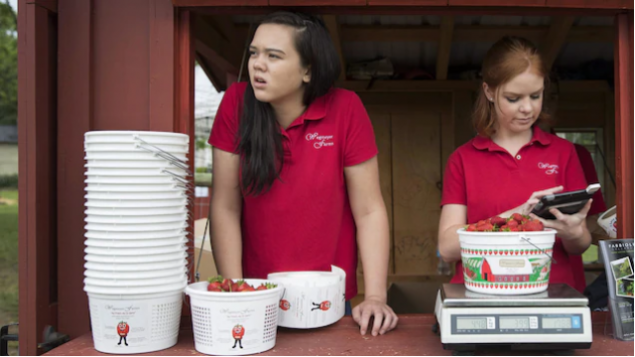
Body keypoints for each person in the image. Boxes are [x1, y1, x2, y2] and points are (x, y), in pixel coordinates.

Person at [208, 12, 397, 336]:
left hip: (329, 299)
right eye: (254, 53)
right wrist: (235, 290)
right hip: (256, 297)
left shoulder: (346, 108)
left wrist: (376, 296)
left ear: (308, 69)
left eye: (273, 56)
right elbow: (225, 206)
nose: (257, 64)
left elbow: (369, 210)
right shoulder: (235, 104)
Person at [438, 36, 593, 293]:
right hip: (482, 293)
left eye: (535, 95)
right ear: (488, 91)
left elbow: (580, 245)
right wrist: (518, 214)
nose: (527, 108)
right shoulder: (463, 159)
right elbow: (446, 248)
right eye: (513, 98)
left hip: (552, 293)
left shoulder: (563, 152)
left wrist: (574, 232)